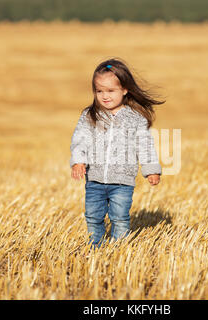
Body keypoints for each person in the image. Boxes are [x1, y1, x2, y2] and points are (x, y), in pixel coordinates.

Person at [70, 58, 165, 248]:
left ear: (124, 89)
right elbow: (80, 139)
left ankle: (118, 248)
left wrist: (151, 169)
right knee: (93, 215)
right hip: (95, 179)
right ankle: (95, 244)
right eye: (99, 91)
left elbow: (145, 145)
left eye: (111, 91)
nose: (105, 96)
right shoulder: (90, 115)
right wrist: (78, 161)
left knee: (119, 217)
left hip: (122, 181)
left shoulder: (135, 119)